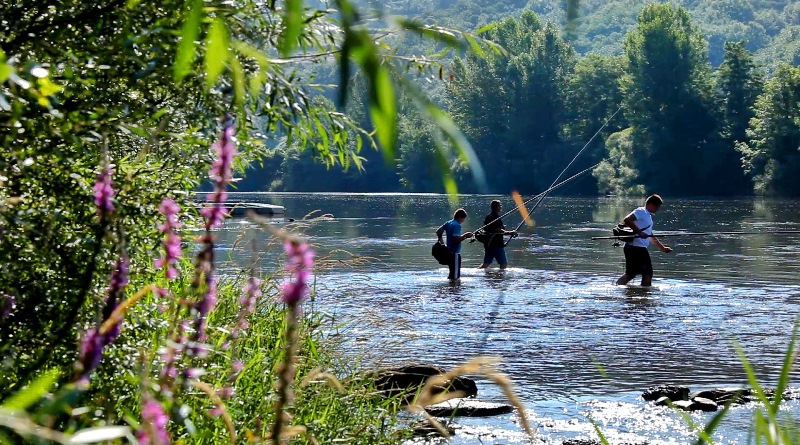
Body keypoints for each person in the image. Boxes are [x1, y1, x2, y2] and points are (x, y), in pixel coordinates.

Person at [616, 194, 673, 287]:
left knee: (631, 273)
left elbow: (650, 235)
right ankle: (645, 294)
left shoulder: (648, 216)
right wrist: (639, 232)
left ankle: (616, 287)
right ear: (650, 204)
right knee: (648, 273)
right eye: (657, 206)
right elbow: (627, 220)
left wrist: (662, 248)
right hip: (636, 248)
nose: (657, 209)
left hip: (633, 247)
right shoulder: (641, 211)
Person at [436, 208, 474, 281]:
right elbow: (456, 239)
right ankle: (454, 291)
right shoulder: (457, 225)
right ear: (459, 217)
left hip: (448, 252)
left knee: (452, 274)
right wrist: (465, 235)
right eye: (463, 218)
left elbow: (438, 232)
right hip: (455, 253)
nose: (463, 220)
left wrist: (442, 244)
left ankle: (450, 290)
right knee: (455, 277)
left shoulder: (448, 223)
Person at [479, 200, 517, 269]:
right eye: (500, 206)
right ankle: (500, 279)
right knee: (503, 264)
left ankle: (479, 274)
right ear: (496, 207)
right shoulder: (495, 217)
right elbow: (497, 230)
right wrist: (510, 232)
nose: (501, 207)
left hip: (488, 244)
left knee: (485, 264)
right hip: (496, 244)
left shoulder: (488, 216)